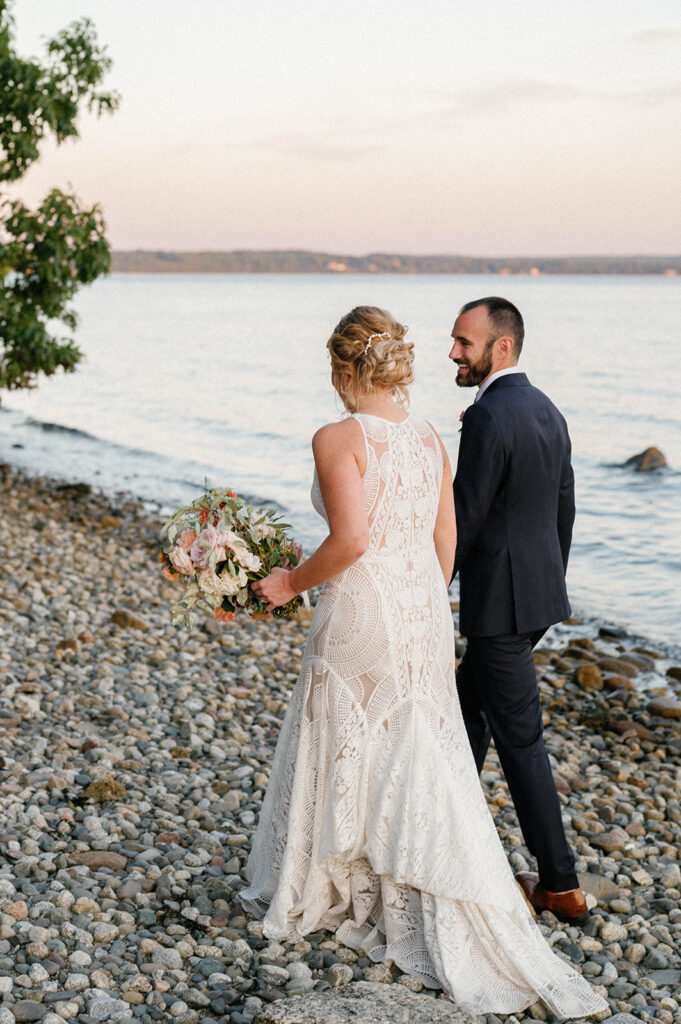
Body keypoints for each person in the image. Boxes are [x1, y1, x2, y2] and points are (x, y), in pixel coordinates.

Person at [241, 306, 607, 1016]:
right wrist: (423, 607)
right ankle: (430, 871)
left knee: (346, 735)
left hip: (363, 609)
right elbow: (445, 534)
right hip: (422, 611)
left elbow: (348, 542)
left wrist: (289, 581)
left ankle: (336, 878)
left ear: (342, 368)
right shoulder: (432, 434)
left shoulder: (336, 436)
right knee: (417, 745)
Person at [450, 296, 587, 922]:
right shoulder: (547, 411)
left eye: (464, 343)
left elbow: (465, 518)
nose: (453, 352)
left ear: (500, 347)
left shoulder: (487, 418)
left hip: (499, 608)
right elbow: (564, 509)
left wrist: (431, 585)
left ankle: (561, 885)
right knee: (464, 714)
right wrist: (546, 587)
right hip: (535, 599)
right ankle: (450, 837)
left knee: (521, 739)